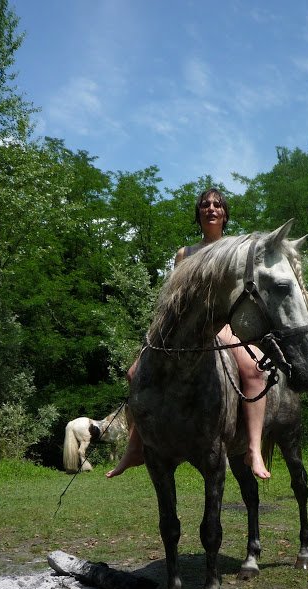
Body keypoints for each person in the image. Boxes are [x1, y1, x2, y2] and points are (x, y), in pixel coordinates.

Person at [106, 188, 271, 480]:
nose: (211, 209)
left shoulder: (234, 250)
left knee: (256, 371)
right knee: (134, 373)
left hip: (224, 327)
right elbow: (173, 299)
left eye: (217, 205)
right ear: (198, 213)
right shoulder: (186, 253)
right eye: (205, 205)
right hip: (184, 330)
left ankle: (254, 450)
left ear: (225, 215)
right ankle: (135, 445)